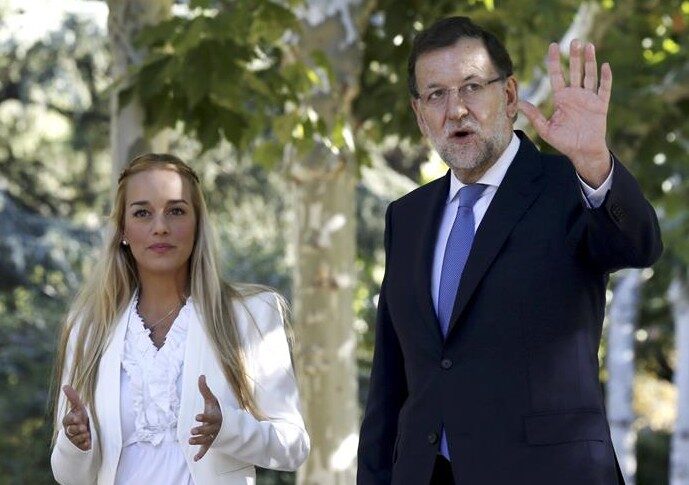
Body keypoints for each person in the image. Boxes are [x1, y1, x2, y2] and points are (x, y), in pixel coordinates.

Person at [357, 16, 662, 485]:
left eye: (472, 87)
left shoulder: (571, 186)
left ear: (510, 95)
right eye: (436, 95)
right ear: (419, 114)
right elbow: (390, 381)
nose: (456, 110)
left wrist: (595, 163)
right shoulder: (407, 216)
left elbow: (639, 246)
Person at [50, 153, 309, 484]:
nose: (160, 227)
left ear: (198, 224)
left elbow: (294, 447)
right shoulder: (89, 325)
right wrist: (75, 443)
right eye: (142, 213)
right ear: (123, 230)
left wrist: (229, 428)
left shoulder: (251, 314)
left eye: (176, 211)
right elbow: (68, 476)